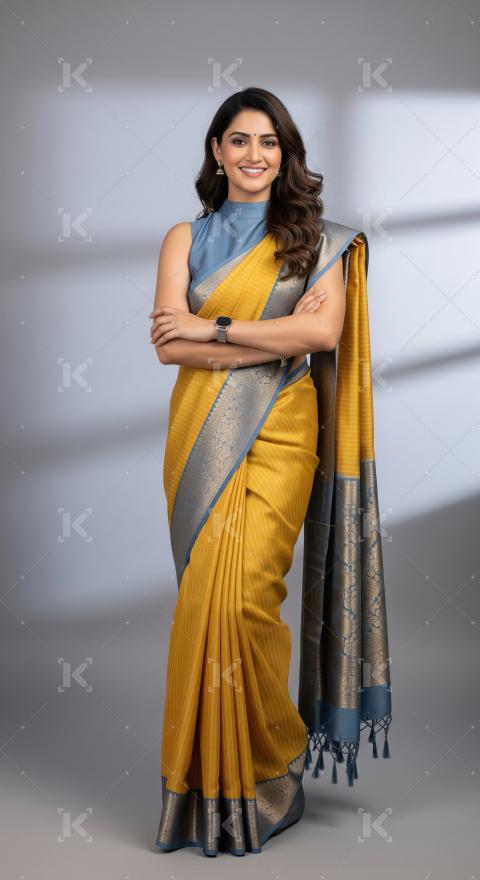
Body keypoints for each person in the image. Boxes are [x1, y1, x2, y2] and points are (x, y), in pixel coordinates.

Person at [150, 86, 392, 858]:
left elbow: (320, 332)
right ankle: (203, 788)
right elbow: (166, 346)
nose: (255, 155)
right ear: (217, 152)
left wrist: (211, 325)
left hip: (284, 434)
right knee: (203, 606)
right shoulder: (181, 239)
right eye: (240, 141)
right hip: (199, 439)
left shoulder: (320, 240)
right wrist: (260, 336)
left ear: (285, 156)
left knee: (250, 596)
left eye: (270, 143)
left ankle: (267, 768)